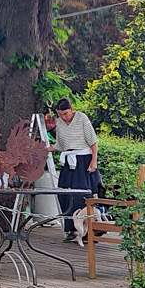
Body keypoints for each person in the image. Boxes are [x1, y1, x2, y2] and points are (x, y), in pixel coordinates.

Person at [49, 98, 99, 242]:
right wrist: (44, 149)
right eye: (60, 114)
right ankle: (71, 229)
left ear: (71, 109)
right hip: (68, 161)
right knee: (63, 192)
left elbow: (93, 142)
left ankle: (88, 231)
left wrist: (93, 161)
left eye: (65, 113)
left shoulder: (82, 118)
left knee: (82, 194)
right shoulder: (59, 123)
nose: (64, 117)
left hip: (83, 160)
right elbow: (59, 145)